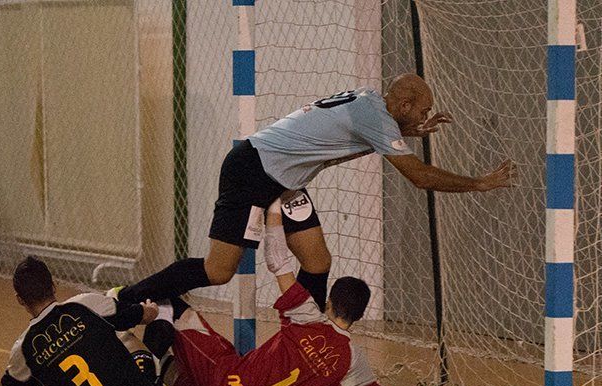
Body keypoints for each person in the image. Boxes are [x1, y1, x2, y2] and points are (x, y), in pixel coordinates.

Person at [115, 73, 515, 310]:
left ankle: (302, 345)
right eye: (422, 111)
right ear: (405, 102)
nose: (425, 116)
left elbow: (353, 135)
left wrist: (407, 129)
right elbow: (419, 177)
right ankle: (127, 298)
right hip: (253, 171)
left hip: (285, 183)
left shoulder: (369, 102)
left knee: (317, 261)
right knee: (219, 272)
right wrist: (479, 183)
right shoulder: (374, 116)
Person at [135, 200, 434, 386]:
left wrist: (274, 208)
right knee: (174, 369)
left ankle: (125, 336)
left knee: (167, 301)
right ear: (359, 316)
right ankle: (150, 365)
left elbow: (278, 261)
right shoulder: (354, 362)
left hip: (225, 381)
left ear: (328, 302)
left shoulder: (307, 317)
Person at [0, 256, 167, 386]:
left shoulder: (23, 349)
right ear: (53, 285)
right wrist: (151, 309)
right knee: (129, 333)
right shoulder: (85, 303)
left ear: (20, 300)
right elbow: (145, 316)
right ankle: (168, 364)